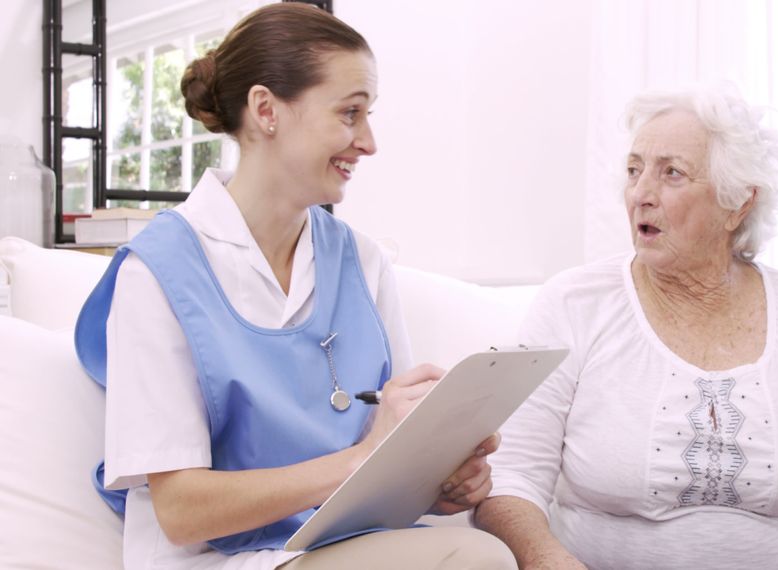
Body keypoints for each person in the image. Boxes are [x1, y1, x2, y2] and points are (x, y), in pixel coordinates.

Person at [73, 4, 514, 569]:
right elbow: (182, 512)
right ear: (266, 110)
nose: (369, 142)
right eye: (350, 113)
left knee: (474, 548)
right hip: (216, 559)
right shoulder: (158, 272)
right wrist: (364, 457)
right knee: (474, 558)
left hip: (336, 543)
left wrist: (439, 483)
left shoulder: (362, 260)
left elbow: (383, 463)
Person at [474, 86, 778, 569]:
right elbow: (511, 479)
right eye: (634, 170)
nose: (640, 194)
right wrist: (547, 560)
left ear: (738, 202)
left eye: (671, 173)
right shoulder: (572, 304)